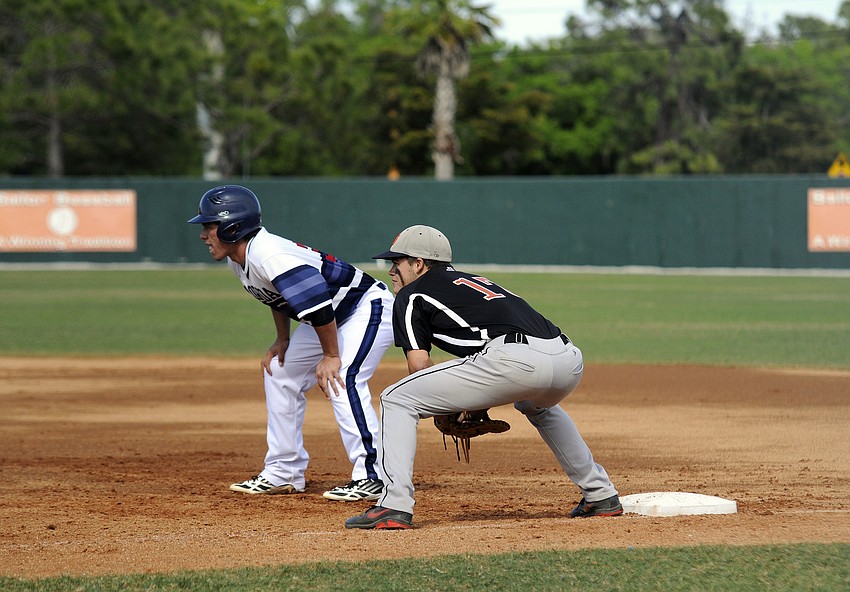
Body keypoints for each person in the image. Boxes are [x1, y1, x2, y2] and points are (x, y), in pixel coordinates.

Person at [345, 225, 621, 529]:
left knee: (396, 398)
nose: (391, 270)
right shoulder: (473, 281)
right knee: (538, 406)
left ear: (419, 264)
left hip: (515, 360)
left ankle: (393, 504)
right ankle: (600, 494)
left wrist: (448, 405)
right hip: (568, 359)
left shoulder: (411, 294)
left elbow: (419, 367)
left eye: (397, 262)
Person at [188, 185, 394, 502]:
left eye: (209, 226)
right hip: (328, 317)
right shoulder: (240, 258)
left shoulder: (271, 254)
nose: (204, 235)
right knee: (280, 371)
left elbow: (317, 301)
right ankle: (283, 472)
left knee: (342, 376)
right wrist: (282, 339)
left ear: (232, 227)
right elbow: (278, 296)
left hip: (365, 306)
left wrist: (331, 356)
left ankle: (373, 476)